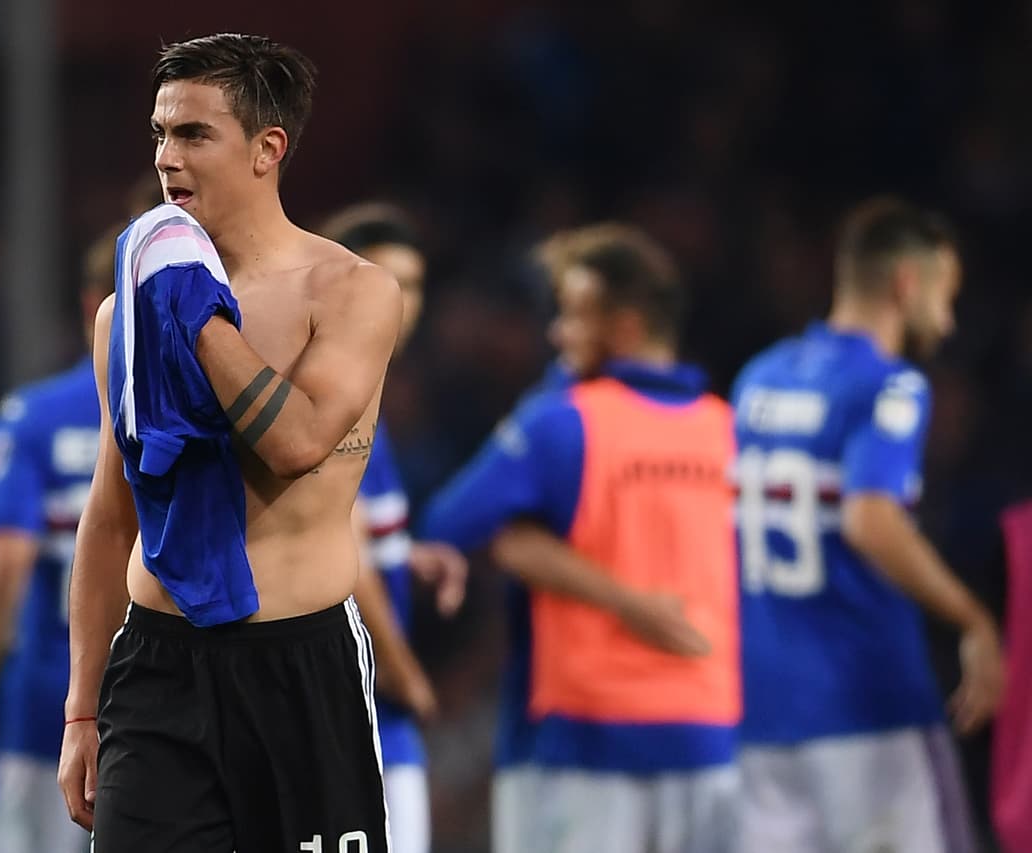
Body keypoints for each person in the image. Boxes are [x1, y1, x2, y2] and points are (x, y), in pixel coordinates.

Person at [56, 34, 402, 853]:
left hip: (301, 666)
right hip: (158, 666)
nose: (167, 158)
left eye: (194, 135)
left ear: (266, 149)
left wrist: (194, 315)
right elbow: (110, 517)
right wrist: (80, 709)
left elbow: (296, 441)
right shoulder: (125, 311)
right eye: (160, 134)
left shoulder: (351, 292)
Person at [422, 225, 739, 852]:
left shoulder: (563, 419)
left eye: (570, 316)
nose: (556, 335)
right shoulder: (727, 430)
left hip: (581, 734)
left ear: (621, 327)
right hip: (709, 728)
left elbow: (448, 523)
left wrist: (526, 547)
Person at [733, 196, 1002, 852]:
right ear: (907, 283)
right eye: (945, 293)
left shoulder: (758, 379)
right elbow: (870, 517)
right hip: (867, 703)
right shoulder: (890, 385)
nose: (947, 315)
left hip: (761, 709)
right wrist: (972, 619)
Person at [0, 228, 119, 853]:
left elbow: (8, 559)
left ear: (93, 300)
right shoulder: (207, 409)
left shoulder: (35, 415)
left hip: (51, 706)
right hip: (174, 708)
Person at [322, 202, 468, 853]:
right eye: (386, 280)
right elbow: (339, 550)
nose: (401, 301)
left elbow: (352, 534)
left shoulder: (369, 390)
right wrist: (407, 674)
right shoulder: (332, 391)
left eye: (413, 284)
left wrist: (406, 554)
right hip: (350, 703)